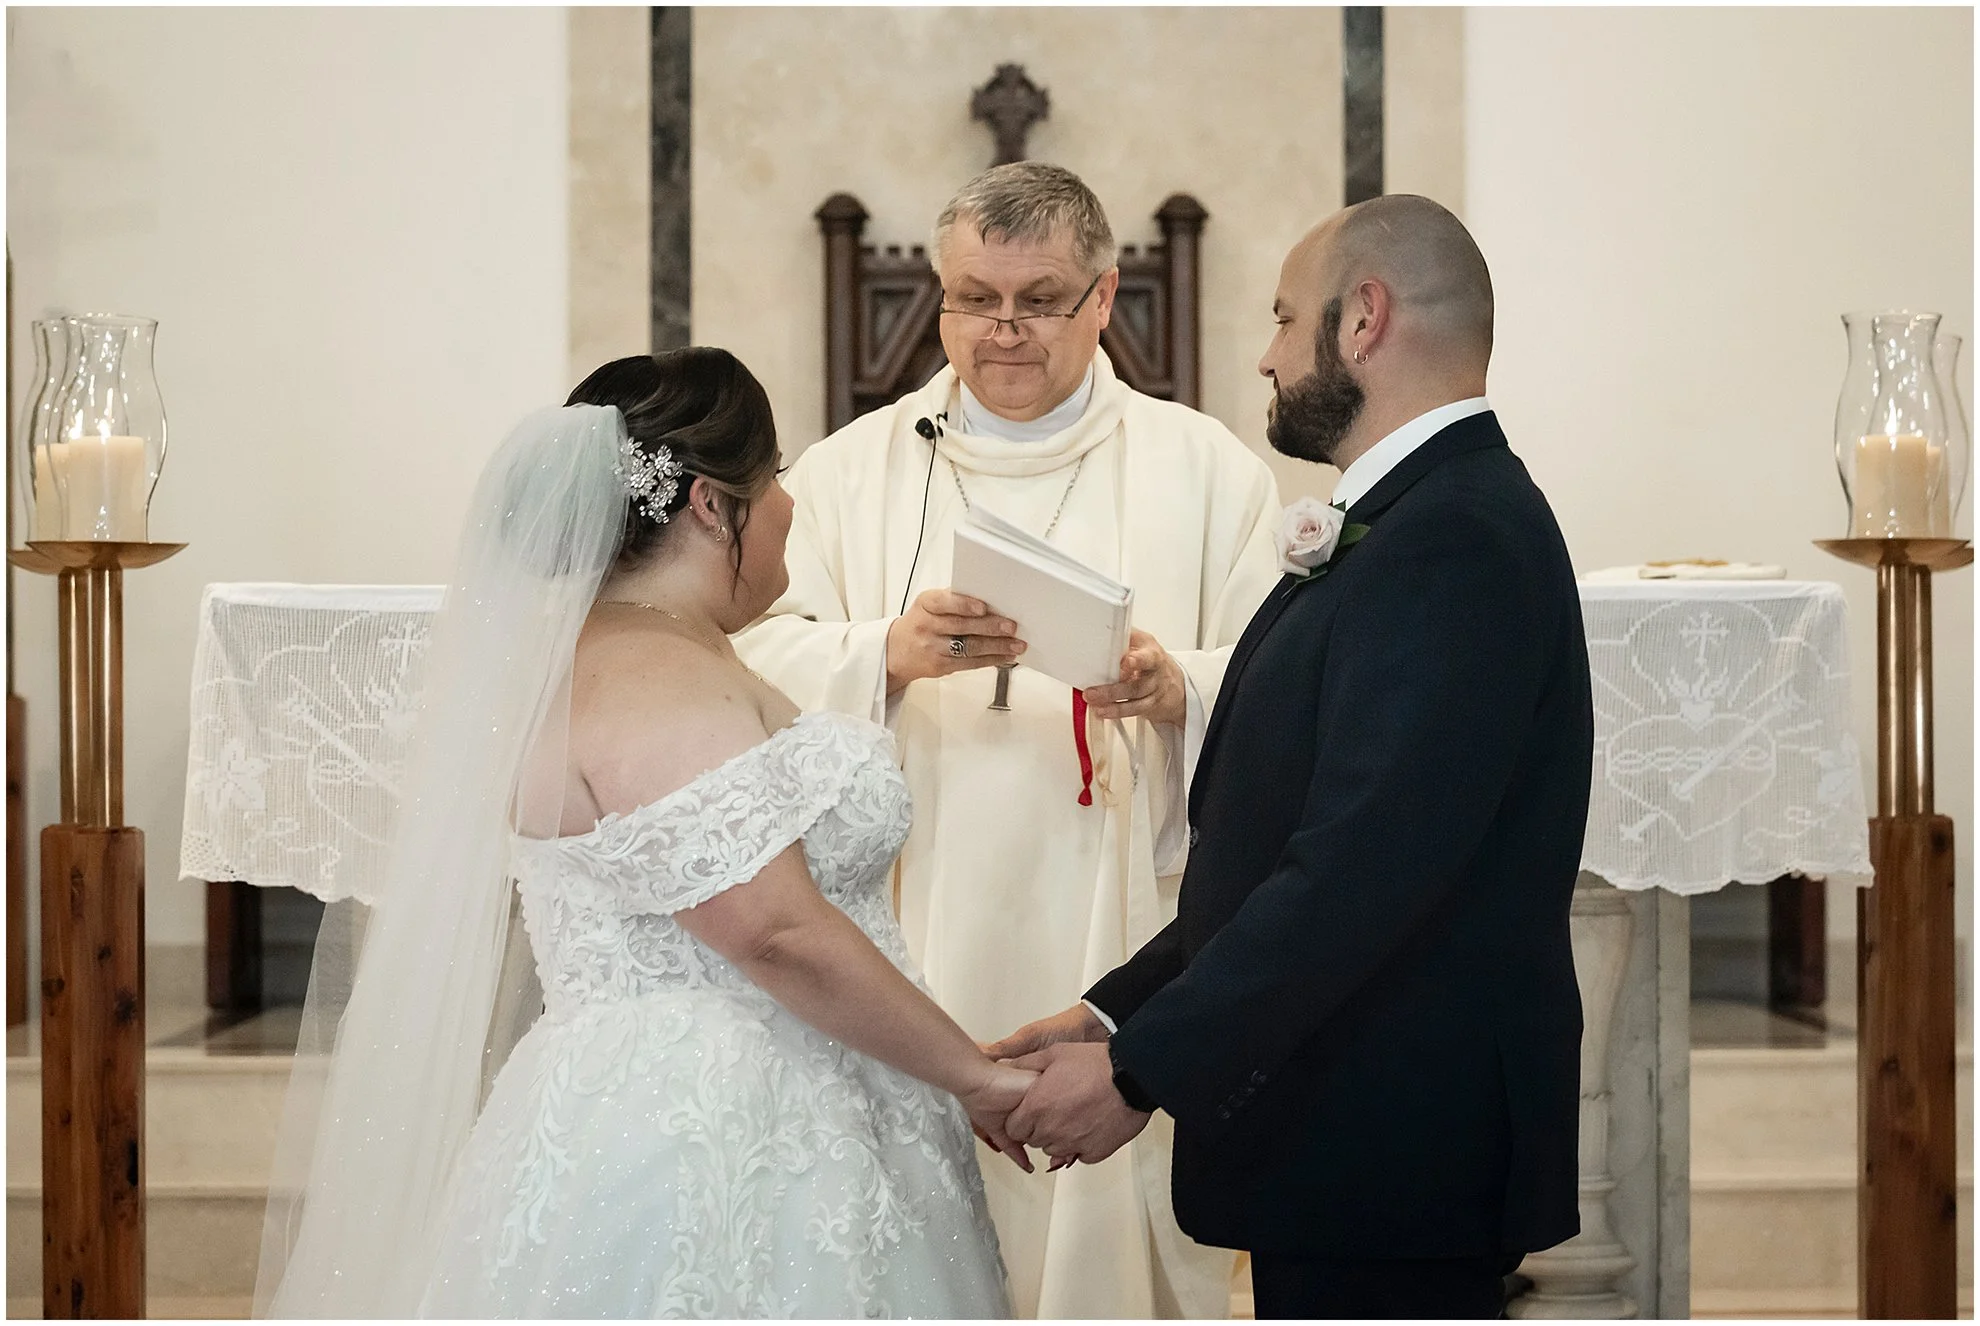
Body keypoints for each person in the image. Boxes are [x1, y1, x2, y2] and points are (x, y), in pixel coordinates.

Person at [254, 349, 1026, 1318]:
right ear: (712, 504)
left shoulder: (615, 657)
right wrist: (976, 1076)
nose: (790, 504)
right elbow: (770, 928)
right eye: (775, 477)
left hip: (669, 1104)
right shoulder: (654, 671)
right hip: (721, 1132)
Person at [990, 194, 1594, 1320]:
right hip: (1353, 1134)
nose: (1266, 354)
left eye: (1282, 318)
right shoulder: (1412, 519)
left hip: (1392, 1138)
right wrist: (1116, 1013)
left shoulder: (1452, 538)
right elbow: (1283, 848)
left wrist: (1140, 1075)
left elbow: (1361, 870)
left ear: (1363, 318)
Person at [737, 162, 1282, 1318]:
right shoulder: (848, 471)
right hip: (915, 906)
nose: (1003, 328)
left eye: (1039, 299)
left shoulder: (1208, 471)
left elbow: (1291, 683)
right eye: (973, 298)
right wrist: (882, 653)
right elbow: (741, 665)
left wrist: (1172, 685)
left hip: (1124, 906)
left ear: (1104, 297)